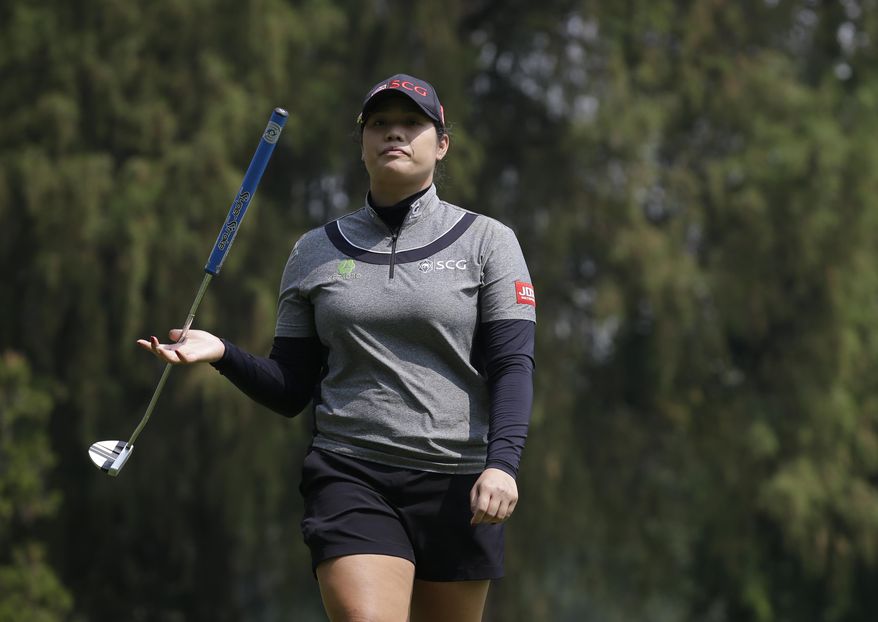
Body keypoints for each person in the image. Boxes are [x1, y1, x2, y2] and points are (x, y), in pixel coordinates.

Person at [138, 73, 536, 622]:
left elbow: (512, 366)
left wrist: (504, 466)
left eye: (411, 124)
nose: (394, 135)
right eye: (379, 125)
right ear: (363, 143)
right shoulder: (314, 251)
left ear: (441, 144)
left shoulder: (489, 241)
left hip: (460, 485)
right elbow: (291, 389)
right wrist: (223, 353)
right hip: (352, 473)